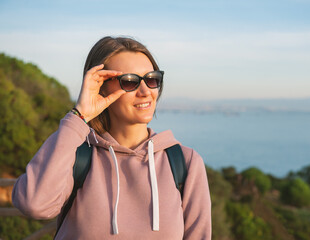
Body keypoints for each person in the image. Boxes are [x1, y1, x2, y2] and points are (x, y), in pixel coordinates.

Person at [12, 36, 211, 239]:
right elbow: (34, 205)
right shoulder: (76, 155)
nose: (145, 91)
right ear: (100, 88)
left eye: (152, 79)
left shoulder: (184, 163)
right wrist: (79, 116)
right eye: (130, 82)